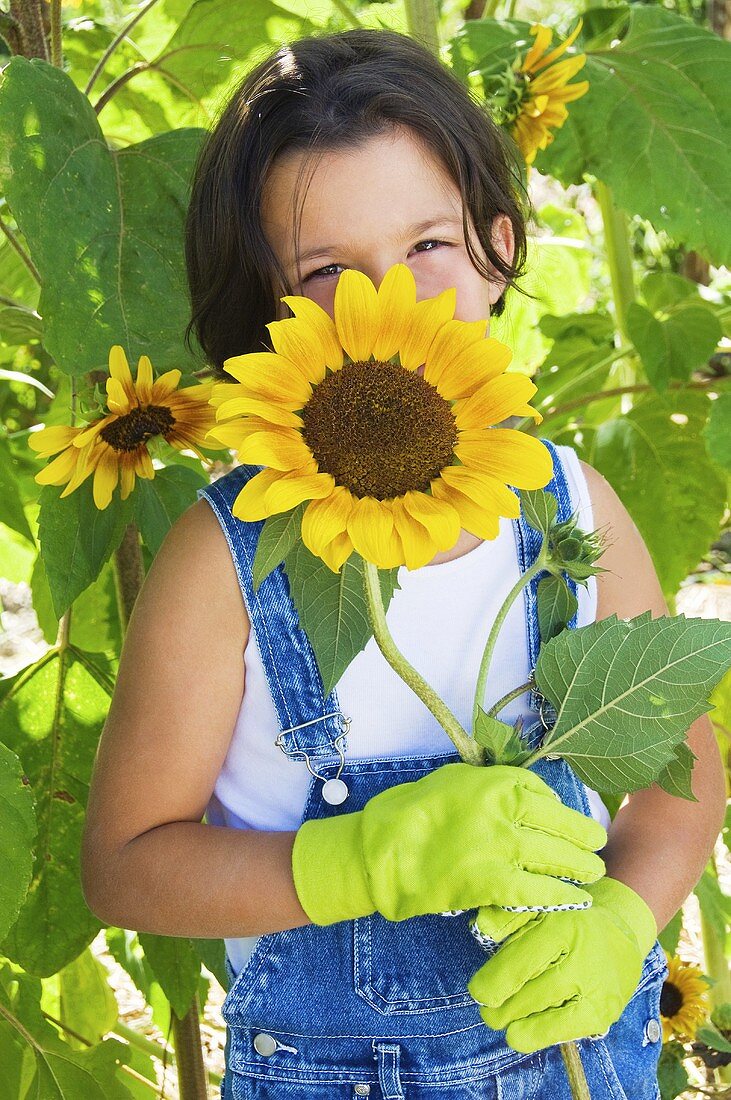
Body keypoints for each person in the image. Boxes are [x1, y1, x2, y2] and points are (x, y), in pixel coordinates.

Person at [81, 27, 726, 1100]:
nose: (390, 302)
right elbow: (124, 863)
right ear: (264, 315)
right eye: (327, 269)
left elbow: (679, 776)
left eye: (427, 244)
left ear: (499, 248)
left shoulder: (565, 505)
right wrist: (358, 862)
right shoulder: (229, 559)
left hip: (583, 1059)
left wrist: (622, 917)